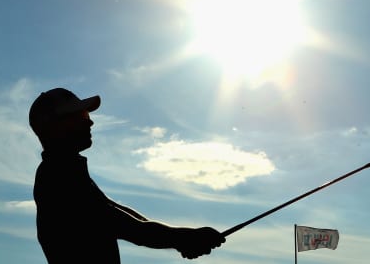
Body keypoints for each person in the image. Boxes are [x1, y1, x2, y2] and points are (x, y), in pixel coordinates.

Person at [29, 87, 225, 263]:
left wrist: (181, 240)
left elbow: (119, 213)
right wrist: (185, 238)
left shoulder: (67, 173)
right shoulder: (57, 178)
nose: (90, 122)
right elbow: (129, 228)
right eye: (80, 116)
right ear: (54, 126)